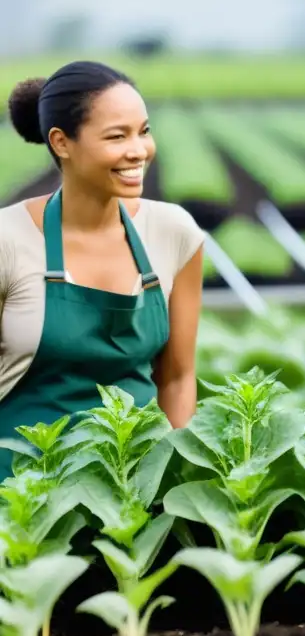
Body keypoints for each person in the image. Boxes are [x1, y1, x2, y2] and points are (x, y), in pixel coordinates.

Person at [0, 61, 205, 478]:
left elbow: (178, 380)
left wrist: (174, 481)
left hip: (133, 490)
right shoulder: (8, 240)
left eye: (144, 131)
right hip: (20, 491)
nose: (138, 150)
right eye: (117, 136)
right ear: (61, 142)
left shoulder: (172, 232)